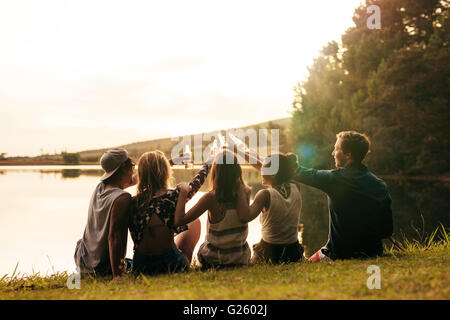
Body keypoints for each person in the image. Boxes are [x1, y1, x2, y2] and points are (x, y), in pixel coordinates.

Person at [293, 131, 393, 261]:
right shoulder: (380, 185)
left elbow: (300, 173)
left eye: (336, 149)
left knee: (306, 266)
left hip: (340, 254)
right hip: (373, 252)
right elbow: (387, 231)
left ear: (348, 154)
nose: (333, 153)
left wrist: (277, 163)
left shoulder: (335, 179)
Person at [128, 150, 214, 275]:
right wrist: (208, 163)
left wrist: (172, 161)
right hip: (171, 263)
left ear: (140, 174)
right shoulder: (174, 196)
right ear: (166, 172)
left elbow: (129, 181)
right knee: (194, 222)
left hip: (141, 266)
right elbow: (197, 182)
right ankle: (186, 261)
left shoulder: (131, 202)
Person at [175, 150, 252, 269]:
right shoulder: (246, 192)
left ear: (216, 173)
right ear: (237, 170)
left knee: (198, 237)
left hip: (215, 259)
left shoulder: (210, 198)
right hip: (240, 258)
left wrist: (183, 194)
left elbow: (180, 220)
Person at [74, 148, 136, 279]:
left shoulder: (100, 187)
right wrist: (117, 276)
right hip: (101, 268)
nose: (134, 169)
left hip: (83, 258)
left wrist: (166, 164)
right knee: (142, 265)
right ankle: (115, 272)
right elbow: (114, 237)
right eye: (132, 165)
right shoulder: (122, 198)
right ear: (124, 168)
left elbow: (134, 179)